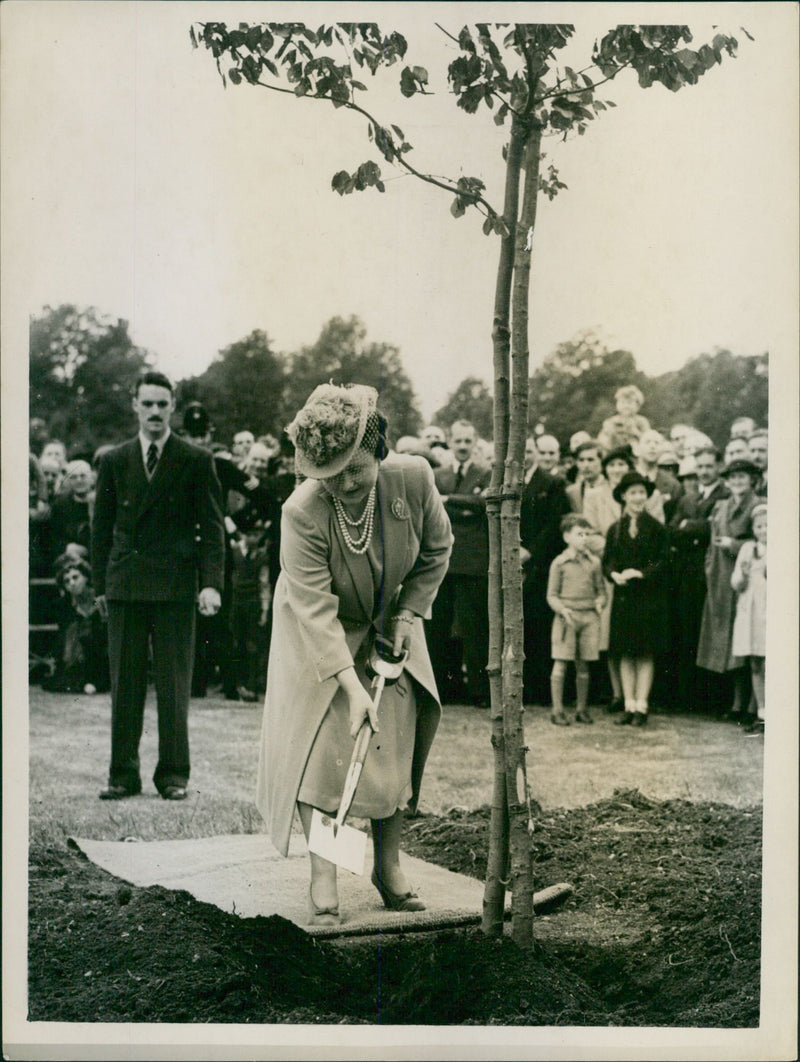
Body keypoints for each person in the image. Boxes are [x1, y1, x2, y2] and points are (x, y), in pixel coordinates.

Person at [255, 383, 452, 926]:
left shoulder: (412, 478)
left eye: (355, 470)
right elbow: (315, 612)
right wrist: (350, 685)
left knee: (393, 745)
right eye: (329, 474)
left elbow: (437, 549)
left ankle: (387, 867)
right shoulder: (302, 512)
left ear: (379, 450)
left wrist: (408, 615)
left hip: (394, 619)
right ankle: (326, 874)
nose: (342, 484)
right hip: (317, 632)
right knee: (322, 758)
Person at [91, 371, 225, 801]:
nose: (154, 412)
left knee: (173, 685)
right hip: (125, 585)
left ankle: (173, 775)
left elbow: (212, 527)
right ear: (134, 405)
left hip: (175, 587)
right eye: (146, 403)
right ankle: (122, 774)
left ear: (173, 407)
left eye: (161, 404)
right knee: (125, 683)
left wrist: (211, 585)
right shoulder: (113, 460)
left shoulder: (195, 459)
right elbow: (100, 530)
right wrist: (99, 587)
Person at [427, 420, 491, 706]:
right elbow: (430, 507)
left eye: (468, 441)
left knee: (474, 628)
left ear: (475, 442)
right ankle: (443, 689)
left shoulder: (486, 473)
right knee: (438, 627)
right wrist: (466, 505)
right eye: (458, 441)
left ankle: (479, 690)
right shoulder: (438, 475)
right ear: (450, 443)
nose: (463, 446)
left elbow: (484, 505)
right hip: (441, 560)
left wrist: (449, 500)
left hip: (473, 563)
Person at [603, 471, 669, 726]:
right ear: (623, 496)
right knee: (625, 653)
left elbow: (664, 562)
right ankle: (628, 705)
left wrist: (641, 573)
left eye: (642, 492)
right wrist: (613, 575)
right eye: (633, 493)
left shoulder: (656, 528)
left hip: (648, 598)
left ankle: (642, 706)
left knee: (644, 653)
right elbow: (607, 561)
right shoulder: (615, 529)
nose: (638, 498)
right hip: (623, 598)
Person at [696, 458, 759, 719]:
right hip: (721, 580)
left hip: (748, 581)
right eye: (732, 478)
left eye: (742, 477)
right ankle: (734, 703)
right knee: (727, 642)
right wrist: (710, 568)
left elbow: (760, 538)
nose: (737, 482)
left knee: (748, 641)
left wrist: (734, 545)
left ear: (752, 479)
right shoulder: (721, 506)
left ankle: (752, 706)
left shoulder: (758, 505)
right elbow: (712, 543)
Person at [667, 447, 729, 710]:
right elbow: (671, 529)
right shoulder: (688, 498)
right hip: (688, 573)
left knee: (711, 633)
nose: (704, 472)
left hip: (713, 571)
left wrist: (689, 527)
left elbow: (710, 529)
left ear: (718, 467)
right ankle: (687, 697)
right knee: (687, 631)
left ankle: (712, 700)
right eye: (700, 467)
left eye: (709, 466)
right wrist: (694, 528)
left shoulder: (725, 495)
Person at [519, 436, 570, 705]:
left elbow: (553, 525)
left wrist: (531, 551)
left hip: (540, 563)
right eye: (521, 451)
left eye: (529, 451)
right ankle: (521, 688)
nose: (525, 456)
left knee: (539, 625)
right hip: (513, 560)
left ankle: (539, 690)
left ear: (537, 454)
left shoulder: (552, 483)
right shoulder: (509, 480)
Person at [546, 515, 606, 726]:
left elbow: (601, 591)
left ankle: (581, 709)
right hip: (567, 617)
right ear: (566, 537)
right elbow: (551, 595)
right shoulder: (559, 563)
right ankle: (557, 710)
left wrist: (600, 602)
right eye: (579, 534)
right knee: (561, 663)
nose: (584, 539)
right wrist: (562, 609)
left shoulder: (595, 563)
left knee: (583, 666)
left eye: (587, 534)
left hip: (589, 617)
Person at [42, 556, 109, 695]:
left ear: (85, 577)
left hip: (102, 654)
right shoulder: (65, 606)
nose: (72, 583)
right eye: (67, 581)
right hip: (79, 657)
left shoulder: (100, 599)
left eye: (75, 577)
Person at [730, 501, 767, 734]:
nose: (764, 530)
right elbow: (736, 583)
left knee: (770, 661)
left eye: (768, 526)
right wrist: (742, 574)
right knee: (755, 661)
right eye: (760, 526)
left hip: (772, 611)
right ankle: (762, 712)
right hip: (751, 612)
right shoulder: (747, 550)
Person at [597, 385, 650, 454]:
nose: (626, 406)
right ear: (617, 405)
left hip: (635, 453)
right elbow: (602, 439)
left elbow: (648, 438)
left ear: (637, 406)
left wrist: (636, 432)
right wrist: (610, 434)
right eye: (622, 402)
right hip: (614, 452)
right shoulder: (611, 421)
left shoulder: (641, 421)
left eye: (629, 403)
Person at [566, 440, 605, 513]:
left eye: (591, 460)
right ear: (577, 463)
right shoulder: (572, 493)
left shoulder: (611, 488)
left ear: (601, 461)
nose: (586, 465)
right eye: (581, 460)